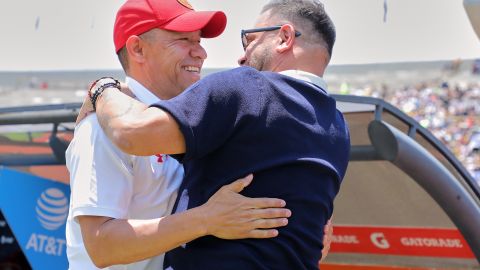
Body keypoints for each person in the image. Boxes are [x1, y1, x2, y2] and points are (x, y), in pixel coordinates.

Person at [83, 0, 348, 269]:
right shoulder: (337, 127)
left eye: (250, 40)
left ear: (284, 37)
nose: (241, 58)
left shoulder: (247, 87)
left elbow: (130, 131)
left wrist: (101, 89)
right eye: (184, 40)